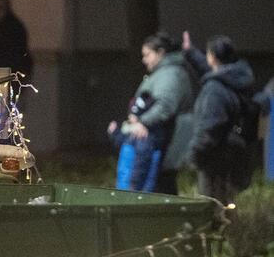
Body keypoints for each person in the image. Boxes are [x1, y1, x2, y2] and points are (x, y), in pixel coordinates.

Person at [107, 32, 193, 193]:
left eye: (147, 54)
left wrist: (142, 122)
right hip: (163, 139)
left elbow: (165, 105)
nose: (144, 59)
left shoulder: (170, 75)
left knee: (161, 184)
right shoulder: (166, 73)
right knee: (160, 182)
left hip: (166, 140)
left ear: (160, 53)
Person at [182, 32, 255, 205]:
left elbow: (209, 128)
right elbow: (211, 71)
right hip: (231, 156)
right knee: (226, 205)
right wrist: (190, 52)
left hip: (214, 162)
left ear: (212, 57)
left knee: (213, 210)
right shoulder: (235, 79)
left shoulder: (215, 90)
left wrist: (192, 155)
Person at [0, 0, 33, 79]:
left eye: (0, 7)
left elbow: (6, 51)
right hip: (13, 70)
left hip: (11, 70)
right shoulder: (10, 25)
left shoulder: (10, 27)